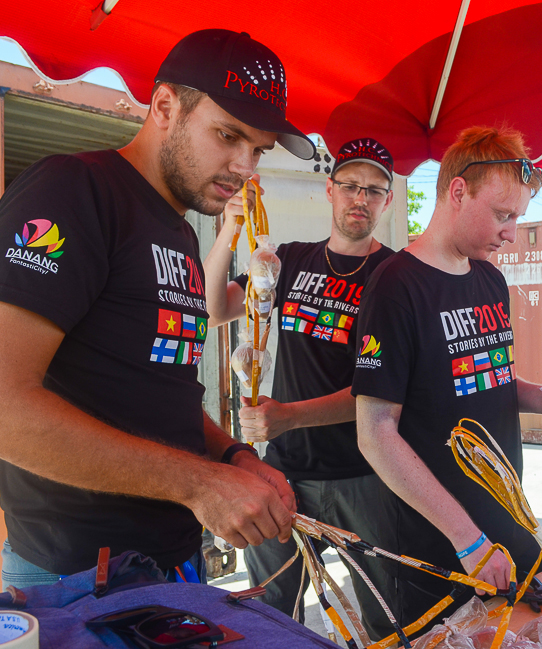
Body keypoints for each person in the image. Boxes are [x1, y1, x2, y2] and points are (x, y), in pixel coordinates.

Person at [0, 29, 315, 589]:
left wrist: (233, 459)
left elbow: (158, 394)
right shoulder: (73, 192)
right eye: (228, 135)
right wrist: (200, 484)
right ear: (165, 107)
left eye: (258, 149)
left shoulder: (180, 233)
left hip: (171, 564)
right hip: (77, 576)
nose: (246, 167)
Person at [351, 126, 542, 629]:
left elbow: (488, 382)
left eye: (518, 217)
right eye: (503, 214)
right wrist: (466, 537)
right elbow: (375, 433)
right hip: (437, 540)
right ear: (458, 191)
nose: (512, 232)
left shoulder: (489, 279)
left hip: (502, 520)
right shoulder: (395, 286)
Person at [204, 138, 400, 638]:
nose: (361, 199)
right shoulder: (288, 261)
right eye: (351, 186)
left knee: (383, 617)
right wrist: (229, 228)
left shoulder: (395, 278)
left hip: (367, 478)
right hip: (284, 473)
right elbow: (217, 307)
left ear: (388, 201)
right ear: (329, 191)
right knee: (272, 614)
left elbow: (378, 387)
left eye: (374, 191)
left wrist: (288, 415)